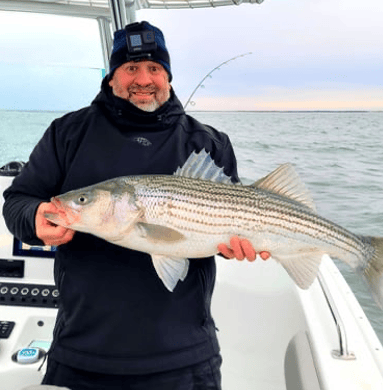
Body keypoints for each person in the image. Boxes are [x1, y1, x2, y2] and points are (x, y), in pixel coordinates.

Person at [3, 21, 269, 390]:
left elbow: (222, 225)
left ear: (168, 77)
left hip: (184, 355)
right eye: (130, 68)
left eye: (154, 68)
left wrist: (235, 245)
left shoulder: (207, 141)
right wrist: (35, 217)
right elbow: (17, 201)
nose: (143, 79)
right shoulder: (68, 133)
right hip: (81, 352)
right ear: (112, 76)